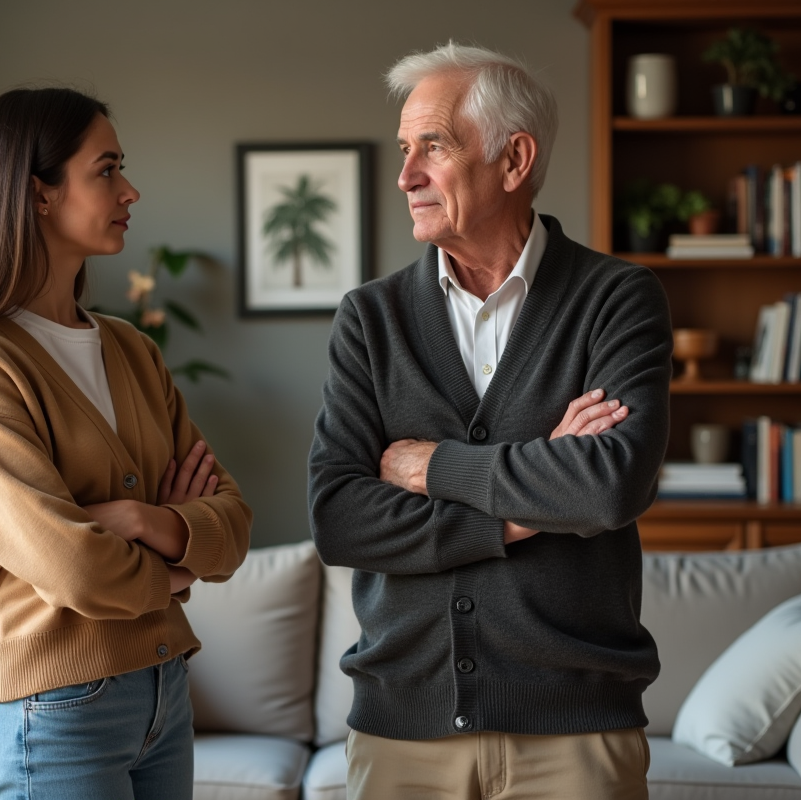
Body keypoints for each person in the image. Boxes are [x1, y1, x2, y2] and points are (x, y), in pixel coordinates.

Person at [308, 43, 671, 800]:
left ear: (514, 160)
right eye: (405, 150)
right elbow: (341, 518)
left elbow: (607, 487)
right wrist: (526, 501)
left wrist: (429, 467)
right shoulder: (371, 321)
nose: (405, 175)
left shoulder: (617, 299)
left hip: (579, 732)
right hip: (402, 729)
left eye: (432, 147)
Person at [0, 87, 251, 800]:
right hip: (55, 714)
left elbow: (232, 521)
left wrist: (146, 521)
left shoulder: (133, 351)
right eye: (106, 170)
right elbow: (71, 563)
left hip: (166, 696)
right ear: (38, 194)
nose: (129, 190)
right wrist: (175, 572)